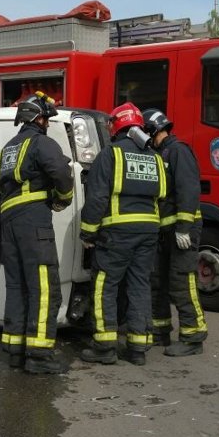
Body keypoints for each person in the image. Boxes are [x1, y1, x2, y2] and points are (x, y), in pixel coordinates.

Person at [79, 102, 165, 366]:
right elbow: (162, 195)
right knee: (139, 284)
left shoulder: (111, 154)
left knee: (105, 285)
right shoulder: (155, 157)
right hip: (149, 231)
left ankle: (104, 346)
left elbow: (97, 198)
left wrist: (88, 233)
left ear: (116, 125)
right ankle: (138, 348)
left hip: (117, 232)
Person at [0, 92, 74, 374]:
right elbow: (62, 174)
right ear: (37, 119)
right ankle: (39, 356)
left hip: (9, 222)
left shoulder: (8, 149)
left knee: (17, 287)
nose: (48, 124)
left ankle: (15, 352)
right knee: (44, 288)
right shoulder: (41, 143)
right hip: (33, 222)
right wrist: (62, 199)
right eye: (46, 119)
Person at [142, 108, 207, 357]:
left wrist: (184, 228)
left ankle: (193, 337)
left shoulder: (178, 151)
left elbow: (188, 189)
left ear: (152, 130)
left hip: (182, 229)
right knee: (157, 281)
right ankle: (160, 331)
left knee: (182, 281)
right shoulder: (159, 154)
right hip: (163, 230)